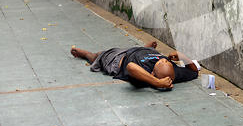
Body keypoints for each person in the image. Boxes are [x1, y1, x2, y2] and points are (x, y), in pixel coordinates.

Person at [70, 41, 199, 89]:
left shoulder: (145, 76)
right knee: (147, 52)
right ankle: (143, 48)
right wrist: (182, 56)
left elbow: (131, 66)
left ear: (152, 73)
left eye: (160, 62)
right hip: (143, 52)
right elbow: (194, 72)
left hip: (119, 58)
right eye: (167, 62)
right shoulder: (175, 74)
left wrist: (157, 83)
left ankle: (87, 54)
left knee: (99, 55)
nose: (164, 60)